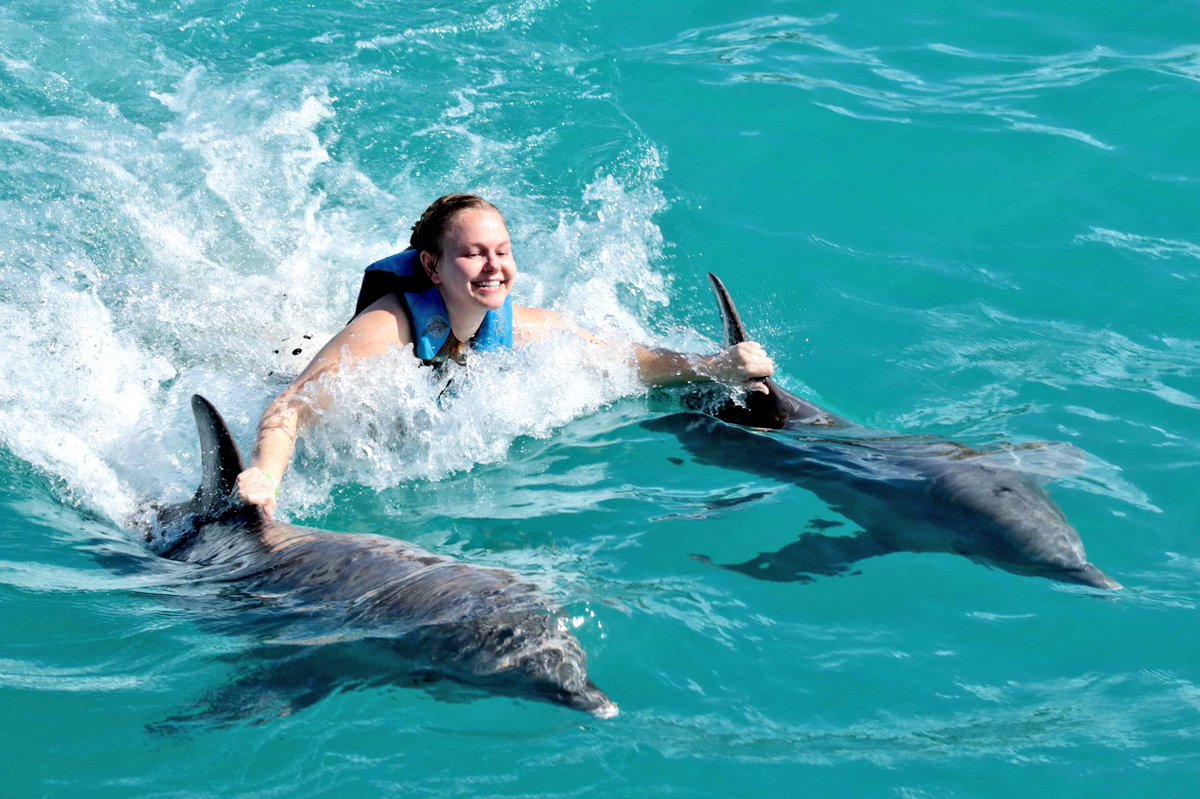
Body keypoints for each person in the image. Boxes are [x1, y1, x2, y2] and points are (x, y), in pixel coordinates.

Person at [237, 194, 774, 517]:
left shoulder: (523, 327)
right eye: (472, 254)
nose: (493, 267)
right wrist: (265, 476)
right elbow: (293, 408)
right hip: (303, 401)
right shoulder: (388, 327)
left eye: (502, 251)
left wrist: (713, 368)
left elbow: (624, 360)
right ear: (431, 266)